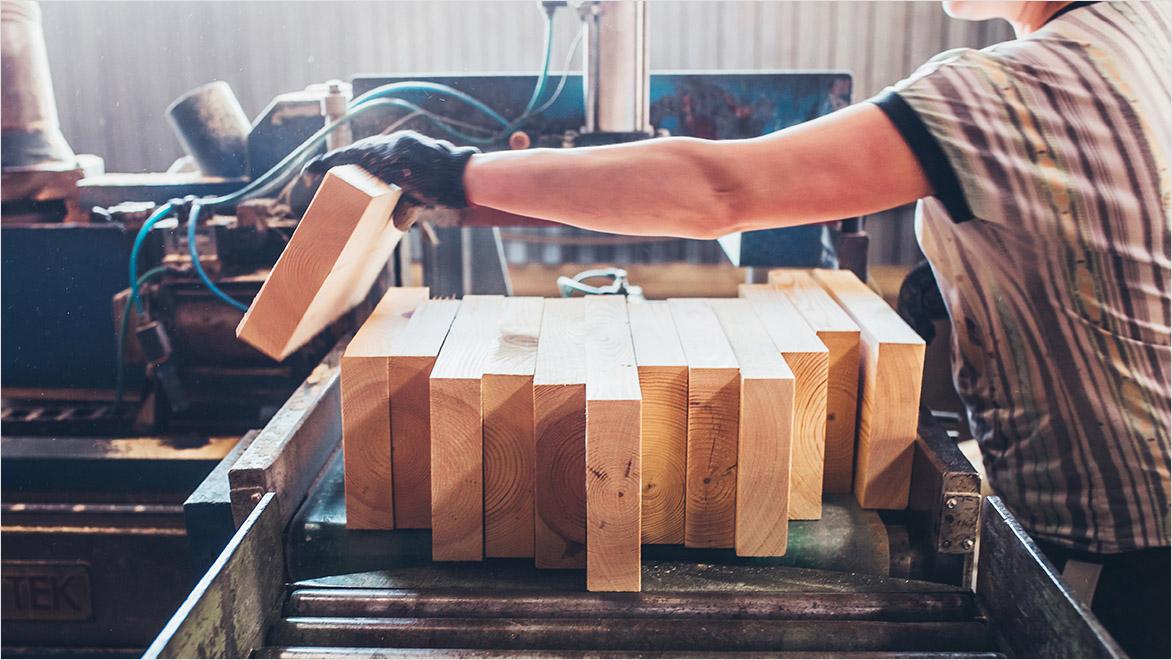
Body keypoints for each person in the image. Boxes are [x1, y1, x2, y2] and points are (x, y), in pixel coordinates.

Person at [307, 2, 1169, 654]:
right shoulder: (1141, 38)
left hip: (1118, 558)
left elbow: (720, 191)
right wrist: (983, 277)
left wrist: (458, 174)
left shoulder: (1010, 87)